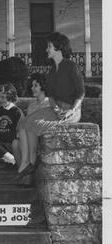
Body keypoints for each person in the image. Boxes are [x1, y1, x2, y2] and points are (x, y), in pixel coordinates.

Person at [16, 32, 85, 178]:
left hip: (71, 111)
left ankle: (32, 164)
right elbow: (51, 95)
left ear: (58, 48)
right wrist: (54, 107)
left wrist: (72, 110)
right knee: (24, 122)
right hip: (56, 108)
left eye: (49, 46)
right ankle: (28, 161)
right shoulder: (52, 70)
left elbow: (81, 92)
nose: (46, 50)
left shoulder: (71, 66)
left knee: (34, 124)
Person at [15, 73, 50, 177]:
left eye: (35, 85)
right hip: (31, 136)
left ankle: (26, 168)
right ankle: (26, 167)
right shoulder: (31, 106)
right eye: (32, 85)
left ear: (43, 86)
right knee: (15, 143)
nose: (32, 88)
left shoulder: (49, 104)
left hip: (42, 137)